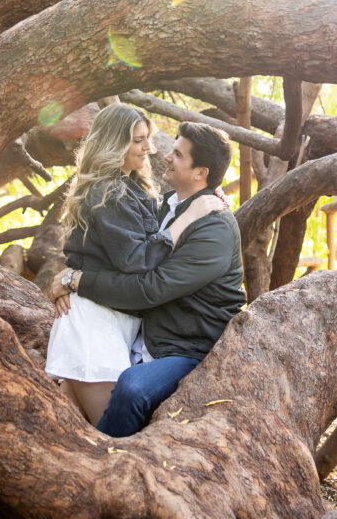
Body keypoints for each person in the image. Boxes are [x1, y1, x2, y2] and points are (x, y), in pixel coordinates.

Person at [51, 120, 245, 437]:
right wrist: (68, 275)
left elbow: (150, 288)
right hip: (148, 335)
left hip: (187, 348)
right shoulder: (164, 206)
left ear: (201, 173)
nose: (167, 156)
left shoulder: (215, 229)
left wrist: (78, 281)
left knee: (131, 388)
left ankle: (111, 456)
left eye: (178, 154)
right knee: (72, 382)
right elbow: (124, 260)